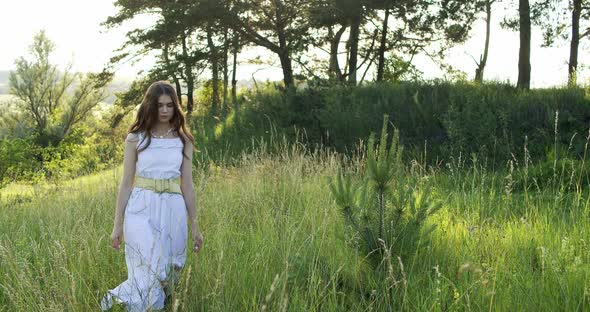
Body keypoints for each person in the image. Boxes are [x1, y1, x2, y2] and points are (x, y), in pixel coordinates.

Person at [100, 81, 203, 311]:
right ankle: (129, 303)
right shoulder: (136, 138)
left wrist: (195, 225)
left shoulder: (183, 140)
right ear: (150, 106)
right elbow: (126, 183)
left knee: (168, 270)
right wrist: (117, 225)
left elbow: (187, 185)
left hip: (172, 208)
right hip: (140, 207)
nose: (165, 110)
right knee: (149, 267)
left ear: (176, 107)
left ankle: (146, 304)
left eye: (169, 105)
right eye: (159, 106)